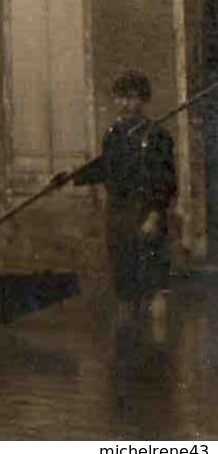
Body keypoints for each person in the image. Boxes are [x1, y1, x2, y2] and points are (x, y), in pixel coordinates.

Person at [54, 70, 176, 324]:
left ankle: (159, 349)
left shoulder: (156, 137)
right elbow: (104, 167)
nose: (124, 104)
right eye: (120, 98)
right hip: (118, 214)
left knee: (152, 282)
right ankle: (129, 346)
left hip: (145, 213)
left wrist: (154, 215)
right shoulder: (114, 135)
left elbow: (165, 181)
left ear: (143, 101)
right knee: (123, 277)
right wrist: (71, 177)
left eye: (131, 98)